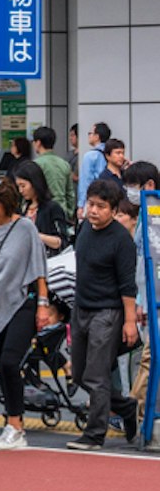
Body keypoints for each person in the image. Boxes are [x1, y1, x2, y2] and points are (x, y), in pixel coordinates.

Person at [0, 175, 50, 451]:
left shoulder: (25, 228)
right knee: (1, 366)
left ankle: (15, 425)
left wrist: (43, 305)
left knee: (9, 363)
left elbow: (39, 269)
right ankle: (12, 423)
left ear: (8, 202)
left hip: (22, 303)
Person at [67, 179, 140, 450]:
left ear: (113, 209)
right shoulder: (85, 227)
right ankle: (127, 408)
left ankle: (95, 434)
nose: (93, 210)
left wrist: (129, 321)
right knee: (79, 375)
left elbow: (127, 285)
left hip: (107, 313)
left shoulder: (122, 241)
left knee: (97, 377)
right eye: (90, 204)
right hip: (81, 308)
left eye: (101, 206)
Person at [14, 160, 70, 255]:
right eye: (18, 186)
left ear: (35, 183)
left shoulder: (52, 208)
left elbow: (60, 242)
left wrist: (35, 235)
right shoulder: (23, 208)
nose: (21, 190)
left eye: (23, 186)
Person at [31, 125, 76, 219]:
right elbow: (70, 193)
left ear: (38, 143)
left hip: (42, 213)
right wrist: (69, 212)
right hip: (62, 211)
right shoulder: (64, 164)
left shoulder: (35, 165)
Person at [77, 123, 110, 217]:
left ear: (97, 136)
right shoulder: (109, 153)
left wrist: (81, 205)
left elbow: (85, 181)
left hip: (93, 199)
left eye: (90, 133)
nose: (89, 136)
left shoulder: (90, 156)